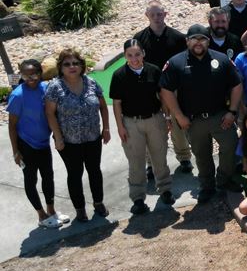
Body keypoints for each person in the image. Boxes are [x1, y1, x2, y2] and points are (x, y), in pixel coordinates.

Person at [160, 24, 243, 203]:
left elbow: (237, 85)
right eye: (194, 39)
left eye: (203, 39)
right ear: (187, 41)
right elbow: (166, 90)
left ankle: (224, 180)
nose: (199, 43)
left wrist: (232, 112)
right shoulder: (176, 62)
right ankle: (207, 186)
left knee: (231, 146)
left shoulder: (221, 59)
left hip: (221, 116)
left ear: (208, 41)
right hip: (193, 120)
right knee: (202, 154)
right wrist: (178, 116)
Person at [45, 48, 111, 222]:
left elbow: (103, 107)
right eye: (67, 64)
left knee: (94, 171)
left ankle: (98, 203)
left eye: (75, 63)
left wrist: (106, 129)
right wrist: (58, 137)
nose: (72, 67)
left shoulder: (91, 83)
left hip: (92, 138)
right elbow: (50, 113)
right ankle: (80, 209)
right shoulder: (55, 87)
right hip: (68, 141)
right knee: (74, 174)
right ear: (61, 67)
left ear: (81, 65)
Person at [110, 39, 173, 215]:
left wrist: (167, 117)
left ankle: (165, 189)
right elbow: (117, 103)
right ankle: (138, 198)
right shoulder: (119, 75)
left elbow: (162, 95)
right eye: (130, 55)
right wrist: (120, 126)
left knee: (159, 155)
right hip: (131, 122)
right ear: (125, 56)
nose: (134, 58)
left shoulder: (153, 70)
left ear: (143, 54)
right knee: (135, 161)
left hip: (154, 119)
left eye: (137, 54)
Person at [132, 0, 192, 173]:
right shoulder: (139, 38)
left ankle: (184, 157)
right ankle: (151, 163)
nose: (157, 17)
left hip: (172, 89)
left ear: (166, 14)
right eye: (153, 14)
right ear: (147, 16)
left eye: (160, 14)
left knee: (177, 124)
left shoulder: (178, 38)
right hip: (150, 89)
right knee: (153, 127)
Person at [8, 59, 65, 228]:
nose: (30, 78)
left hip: (43, 143)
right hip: (26, 145)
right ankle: (41, 215)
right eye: (25, 75)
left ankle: (51, 210)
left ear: (40, 73)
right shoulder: (17, 95)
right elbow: (11, 126)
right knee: (30, 179)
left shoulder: (46, 89)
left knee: (48, 176)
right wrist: (15, 151)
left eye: (33, 74)